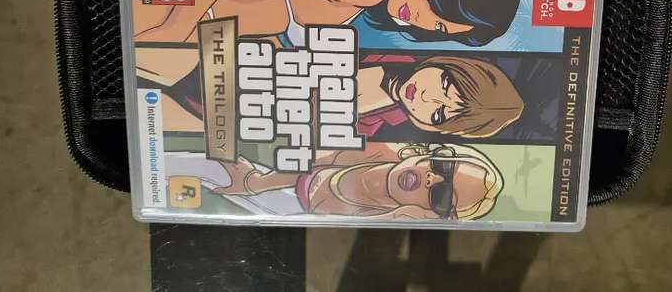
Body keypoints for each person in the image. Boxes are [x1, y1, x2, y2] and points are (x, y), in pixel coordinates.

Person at [133, 0, 522, 132]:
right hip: (177, 11)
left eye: (438, 28)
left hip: (197, 29)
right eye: (446, 85)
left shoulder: (373, 0)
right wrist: (174, 29)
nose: (423, 21)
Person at [183, 141, 504, 221]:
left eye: (442, 196)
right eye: (443, 165)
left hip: (291, 215)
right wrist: (258, 182)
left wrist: (395, 217)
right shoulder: (381, 149)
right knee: (209, 163)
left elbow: (327, 226)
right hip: (287, 182)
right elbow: (313, 161)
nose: (433, 178)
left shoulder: (390, 218)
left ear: (435, 214)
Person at [356, 53, 523, 138]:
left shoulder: (371, 128)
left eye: (438, 114)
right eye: (445, 84)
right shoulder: (390, 51)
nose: (425, 97)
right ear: (448, 65)